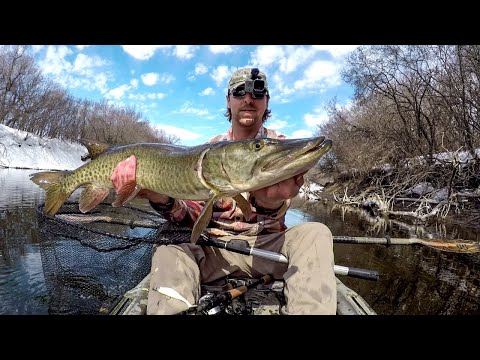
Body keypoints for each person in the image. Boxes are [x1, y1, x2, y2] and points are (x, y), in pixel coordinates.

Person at [110, 67, 337, 315]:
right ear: (228, 101)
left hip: (267, 251)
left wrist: (269, 203)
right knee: (168, 250)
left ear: (266, 102)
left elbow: (277, 211)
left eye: (257, 93)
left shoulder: (280, 147)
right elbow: (190, 216)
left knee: (316, 233)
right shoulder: (208, 152)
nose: (249, 99)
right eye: (240, 92)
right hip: (214, 251)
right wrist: (157, 196)